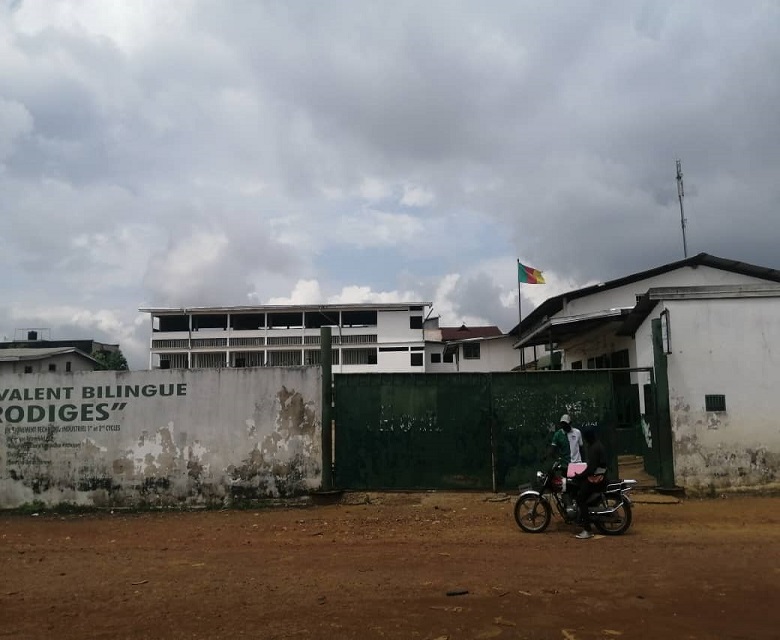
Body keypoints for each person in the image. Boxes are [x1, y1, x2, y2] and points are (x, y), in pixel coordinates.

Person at [573, 426, 608, 540]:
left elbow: (591, 468)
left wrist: (579, 475)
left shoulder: (594, 448)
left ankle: (587, 529)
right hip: (599, 477)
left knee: (580, 498)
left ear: (588, 437)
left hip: (597, 479)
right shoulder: (597, 445)